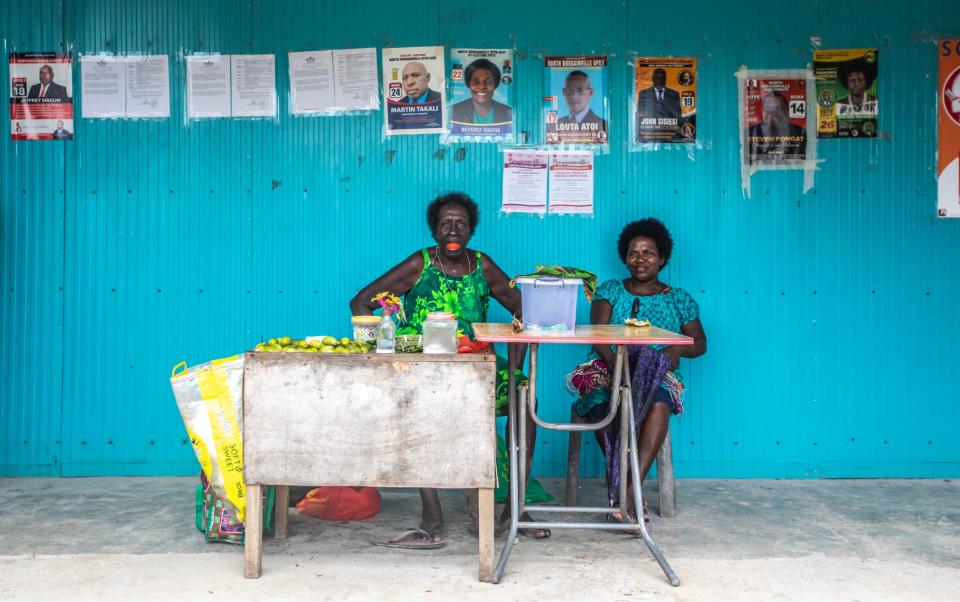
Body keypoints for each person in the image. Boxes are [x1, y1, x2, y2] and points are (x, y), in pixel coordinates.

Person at [350, 192, 551, 549]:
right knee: (416, 416)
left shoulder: (483, 266)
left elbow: (525, 309)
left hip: (477, 369)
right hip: (425, 370)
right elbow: (362, 300)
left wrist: (515, 367)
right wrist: (385, 341)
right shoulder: (420, 264)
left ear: (472, 229)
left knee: (524, 398)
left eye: (461, 223)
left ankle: (514, 511)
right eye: (446, 223)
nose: (453, 229)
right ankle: (432, 515)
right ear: (434, 231)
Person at [567, 218, 706, 528]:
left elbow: (699, 343)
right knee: (604, 404)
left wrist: (676, 351)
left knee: (658, 400)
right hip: (608, 367)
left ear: (663, 258)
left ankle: (629, 491)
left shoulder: (678, 298)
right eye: (634, 253)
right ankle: (625, 489)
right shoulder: (610, 291)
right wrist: (618, 365)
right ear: (624, 257)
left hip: (658, 373)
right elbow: (597, 334)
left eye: (649, 252)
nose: (641, 259)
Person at [450, 59, 512, 126]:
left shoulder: (508, 112)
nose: (482, 87)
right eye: (476, 81)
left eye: (488, 81)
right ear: (469, 84)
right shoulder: (454, 111)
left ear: (495, 84)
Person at [747, 92, 806, 160]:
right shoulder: (750, 133)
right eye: (767, 110)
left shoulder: (800, 133)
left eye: (777, 110)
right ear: (762, 111)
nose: (771, 115)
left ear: (786, 112)